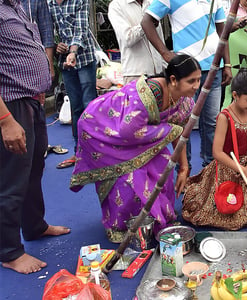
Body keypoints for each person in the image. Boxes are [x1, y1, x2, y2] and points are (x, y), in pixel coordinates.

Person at [69, 55, 198, 243]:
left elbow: (179, 133)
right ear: (173, 80)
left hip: (144, 133)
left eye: (199, 80)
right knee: (130, 177)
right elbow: (129, 132)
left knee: (163, 166)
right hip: (102, 128)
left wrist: (184, 167)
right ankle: (122, 225)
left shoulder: (185, 101)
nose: (196, 86)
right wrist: (169, 130)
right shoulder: (147, 95)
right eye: (191, 81)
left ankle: (156, 219)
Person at [1, 0, 70, 275]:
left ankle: (34, 225)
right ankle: (9, 252)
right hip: (10, 105)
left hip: (31, 101)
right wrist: (5, 120)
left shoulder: (15, 7)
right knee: (11, 179)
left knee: (34, 169)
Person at [142, 0, 232, 169]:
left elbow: (223, 33)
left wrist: (227, 64)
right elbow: (146, 21)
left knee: (212, 122)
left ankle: (209, 171)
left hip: (214, 69)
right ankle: (185, 171)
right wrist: (165, 53)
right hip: (186, 73)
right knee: (183, 123)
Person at [183, 71, 247, 230]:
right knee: (230, 215)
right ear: (235, 95)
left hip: (245, 167)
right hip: (227, 168)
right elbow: (217, 153)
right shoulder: (224, 117)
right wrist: (242, 171)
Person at [49, 0, 98, 169]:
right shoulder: (49, 4)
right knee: (75, 108)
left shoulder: (79, 1)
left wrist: (72, 51)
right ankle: (79, 154)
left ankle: (97, 153)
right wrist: (57, 47)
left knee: (89, 106)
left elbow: (81, 29)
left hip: (84, 59)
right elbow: (48, 32)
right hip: (66, 64)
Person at [108, 0, 165, 84]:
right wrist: (147, 24)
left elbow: (160, 42)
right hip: (135, 75)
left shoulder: (152, 3)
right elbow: (128, 38)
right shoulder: (116, 5)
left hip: (159, 74)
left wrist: (166, 68)